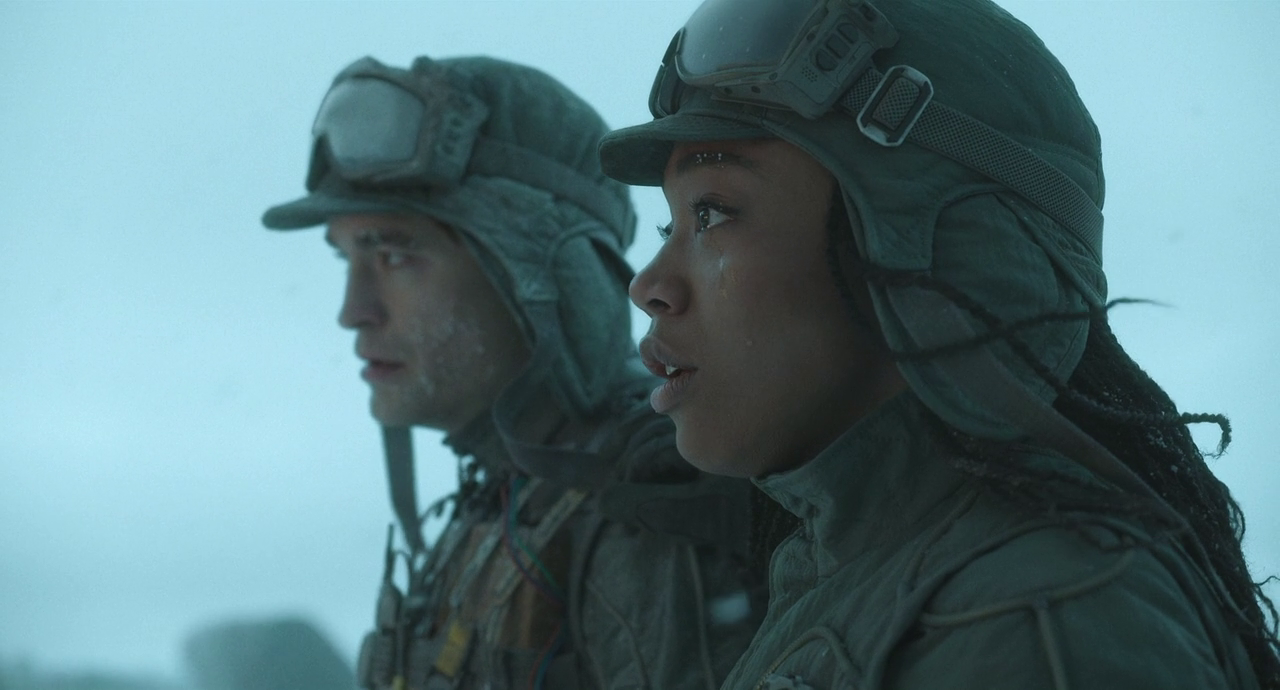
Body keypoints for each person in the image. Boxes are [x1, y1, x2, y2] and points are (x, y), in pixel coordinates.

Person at [600, 0, 1280, 688]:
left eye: (711, 214)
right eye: (668, 227)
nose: (648, 286)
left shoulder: (1034, 620)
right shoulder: (868, 575)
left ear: (939, 252)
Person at [262, 55, 766, 690]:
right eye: (346, 259)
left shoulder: (652, 506)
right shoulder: (513, 495)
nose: (353, 312)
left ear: (545, 277)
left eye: (393, 255)